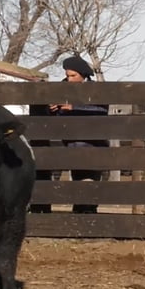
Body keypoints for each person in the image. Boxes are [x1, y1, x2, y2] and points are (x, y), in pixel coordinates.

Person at [49, 55, 109, 214]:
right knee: (78, 177)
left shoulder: (96, 90)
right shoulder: (62, 89)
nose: (69, 79)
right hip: (72, 142)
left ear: (83, 74)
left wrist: (73, 107)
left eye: (73, 76)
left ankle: (88, 211)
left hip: (93, 143)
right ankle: (80, 212)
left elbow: (101, 111)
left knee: (90, 177)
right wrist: (55, 109)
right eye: (67, 76)